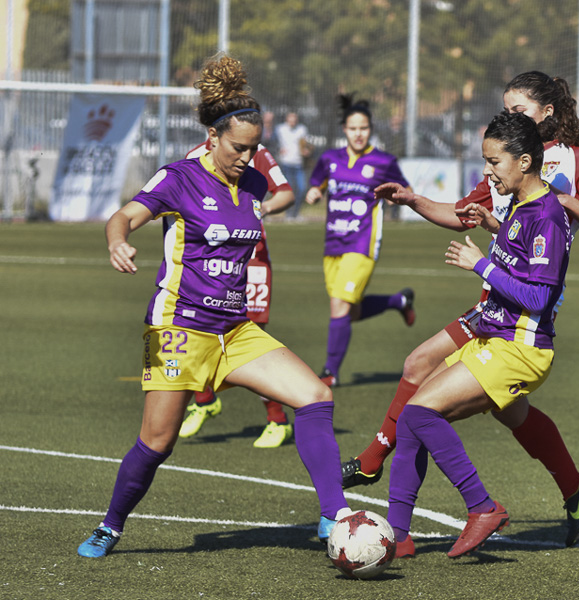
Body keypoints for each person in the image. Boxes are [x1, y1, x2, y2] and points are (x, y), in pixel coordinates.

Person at [77, 54, 351, 559]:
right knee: (157, 443)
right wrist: (118, 241)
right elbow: (125, 215)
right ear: (213, 137)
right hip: (178, 327)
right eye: (239, 148)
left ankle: (334, 515)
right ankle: (111, 525)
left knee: (315, 396)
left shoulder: (251, 184)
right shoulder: (179, 177)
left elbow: (272, 198)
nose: (248, 158)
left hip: (235, 330)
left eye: (254, 148)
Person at [350, 71, 579, 551]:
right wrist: (415, 200)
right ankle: (570, 490)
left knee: (426, 399)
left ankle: (399, 473)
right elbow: (464, 215)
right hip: (495, 305)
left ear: (546, 114)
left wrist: (555, 204)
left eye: (519, 110)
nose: (510, 117)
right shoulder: (508, 166)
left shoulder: (570, 166)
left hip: (521, 314)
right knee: (498, 410)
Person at [385, 110, 573, 559]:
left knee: (423, 413)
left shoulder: (545, 214)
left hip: (520, 348)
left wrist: (481, 264)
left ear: (525, 162)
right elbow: (519, 257)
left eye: (495, 162)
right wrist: (495, 229)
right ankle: (397, 534)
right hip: (496, 336)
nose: (487, 171)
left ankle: (482, 508)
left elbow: (539, 298)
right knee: (414, 415)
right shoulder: (520, 207)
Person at [177, 128, 298, 449]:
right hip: (210, 266)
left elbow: (285, 193)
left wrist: (262, 209)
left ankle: (278, 421)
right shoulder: (191, 160)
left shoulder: (254, 153)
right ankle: (204, 401)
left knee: (252, 343)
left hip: (252, 262)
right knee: (198, 333)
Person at [305, 94, 417, 388]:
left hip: (362, 244)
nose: (358, 133)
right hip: (333, 245)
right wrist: (314, 192)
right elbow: (316, 181)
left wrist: (398, 198)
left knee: (339, 307)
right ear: (344, 128)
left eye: (364, 128)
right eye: (353, 128)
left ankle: (330, 372)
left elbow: (407, 191)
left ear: (370, 129)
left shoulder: (383, 161)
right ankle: (398, 301)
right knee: (349, 311)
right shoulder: (330, 159)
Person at [275, 111, 311, 219]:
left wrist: (306, 151)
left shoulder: (302, 129)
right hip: (286, 163)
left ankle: (296, 213)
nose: (293, 122)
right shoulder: (280, 129)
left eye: (295, 119)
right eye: (291, 119)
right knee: (289, 190)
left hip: (298, 164)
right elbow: (273, 142)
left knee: (301, 188)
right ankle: (288, 214)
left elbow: (305, 144)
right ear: (287, 119)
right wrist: (278, 150)